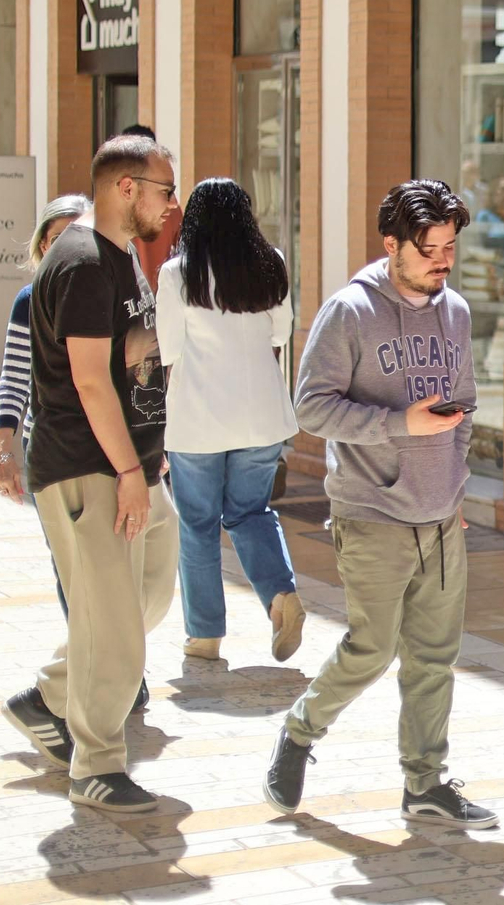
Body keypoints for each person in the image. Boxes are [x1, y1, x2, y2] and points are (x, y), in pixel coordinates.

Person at [264, 180, 496, 830]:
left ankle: (425, 782)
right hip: (371, 511)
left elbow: (466, 404)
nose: (442, 262)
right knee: (372, 648)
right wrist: (400, 424)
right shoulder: (350, 311)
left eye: (450, 247)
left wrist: (456, 481)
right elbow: (309, 406)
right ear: (390, 243)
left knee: (434, 656)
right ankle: (302, 729)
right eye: (429, 249)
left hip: (441, 517)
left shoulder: (455, 310)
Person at [0, 135, 181, 814]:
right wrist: (129, 468)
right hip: (91, 466)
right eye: (164, 188)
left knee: (150, 593)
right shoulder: (81, 262)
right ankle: (96, 763)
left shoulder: (119, 258)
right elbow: (86, 379)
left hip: (129, 466)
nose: (173, 202)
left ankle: (48, 694)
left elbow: (121, 359)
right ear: (125, 188)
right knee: (114, 625)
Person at [156, 178, 305, 663]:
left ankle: (205, 636)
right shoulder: (272, 264)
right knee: (250, 513)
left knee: (198, 525)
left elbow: (169, 350)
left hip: (198, 419)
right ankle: (282, 598)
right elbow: (281, 333)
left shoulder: (178, 274)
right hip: (262, 416)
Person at [0, 195, 90, 508]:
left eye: (81, 236)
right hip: (49, 449)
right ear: (44, 245)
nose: (69, 247)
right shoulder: (30, 301)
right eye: (59, 238)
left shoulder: (114, 295)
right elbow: (14, 379)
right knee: (62, 556)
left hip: (108, 448)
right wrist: (3, 451)